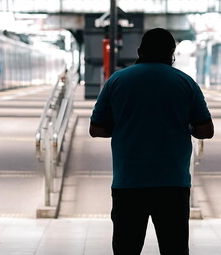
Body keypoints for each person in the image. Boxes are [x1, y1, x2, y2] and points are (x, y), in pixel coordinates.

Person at [89, 28, 214, 255]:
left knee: (126, 249)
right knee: (174, 249)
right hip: (173, 184)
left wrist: (125, 126)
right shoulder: (185, 83)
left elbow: (96, 129)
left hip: (128, 183)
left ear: (139, 51)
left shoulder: (116, 81)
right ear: (172, 54)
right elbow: (205, 130)